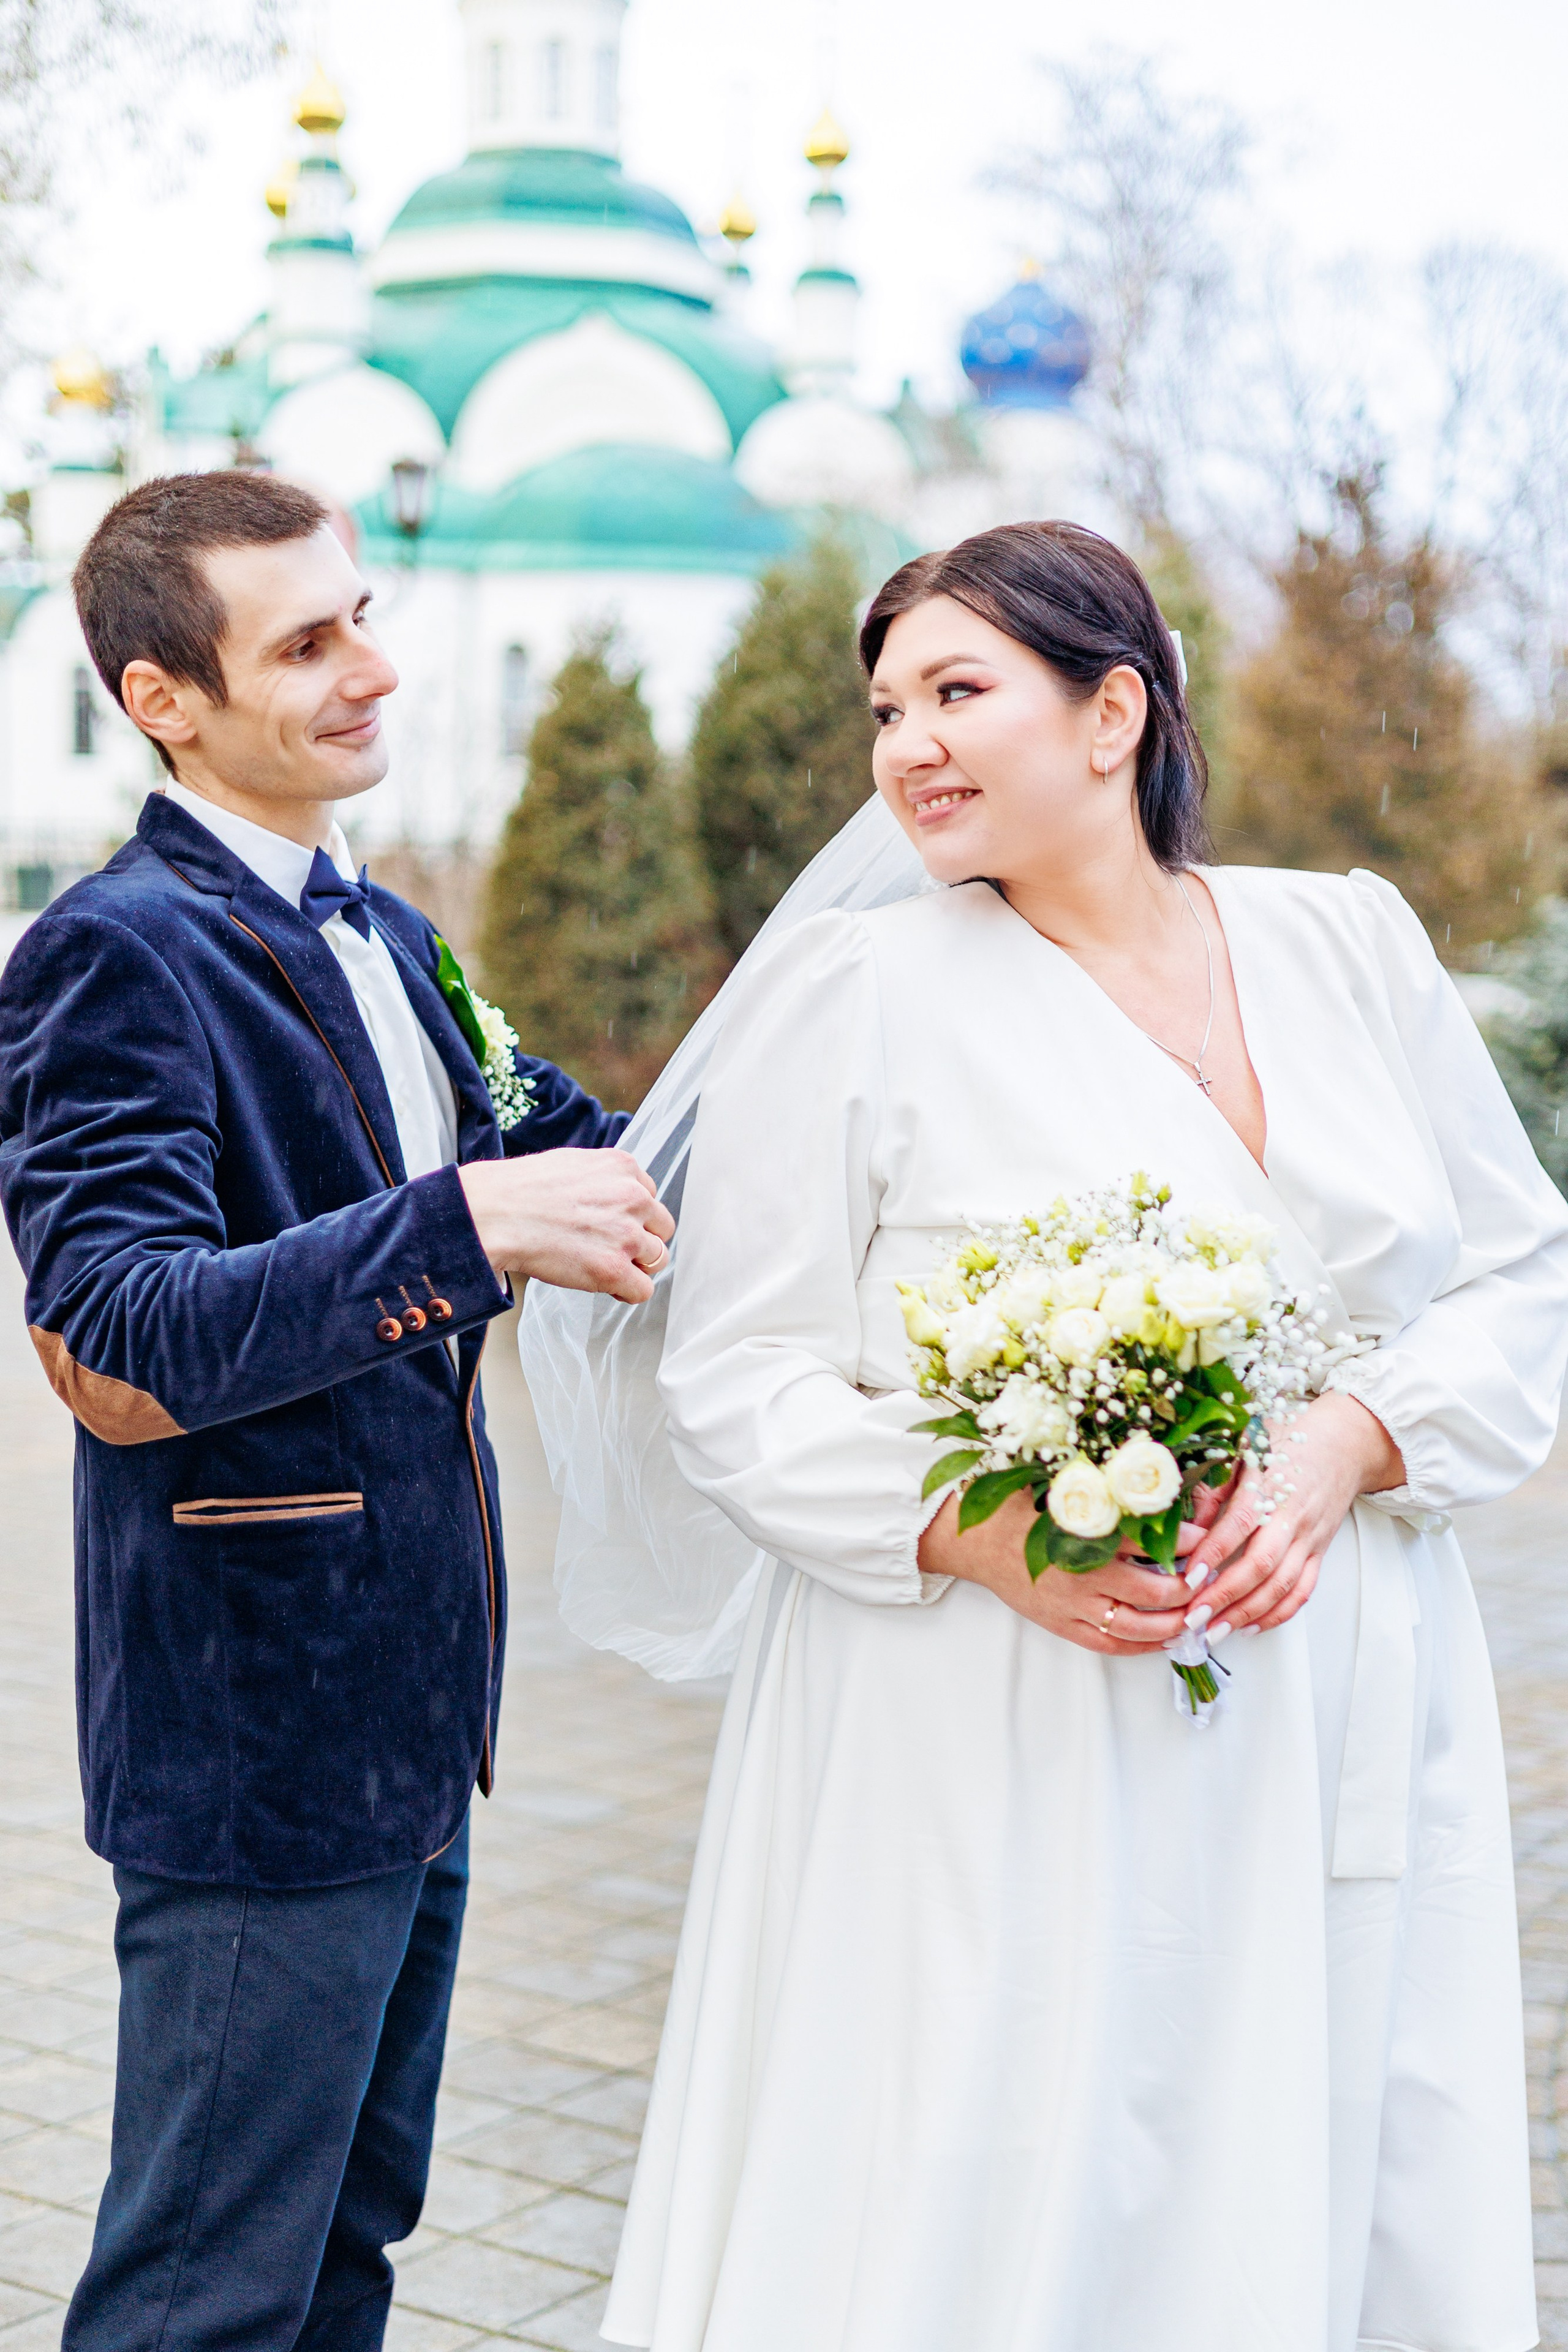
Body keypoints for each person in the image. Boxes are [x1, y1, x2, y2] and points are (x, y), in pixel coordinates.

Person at [546, 521, 1568, 2351]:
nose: (906, 746)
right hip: (990, 1700)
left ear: (1115, 713)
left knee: (1336, 2123)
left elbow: (1525, 1276)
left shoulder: (1350, 941)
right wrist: (977, 1532)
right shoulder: (848, 994)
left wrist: (1357, 1437)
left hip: (1345, 1669)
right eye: (886, 708)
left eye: (957, 691)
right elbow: (740, 1371)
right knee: (1005, 2159)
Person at [0, 470, 673, 2351]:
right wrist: (463, 1227)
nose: (375, 666)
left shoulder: (379, 925)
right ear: (164, 700)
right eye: (307, 642)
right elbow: (123, 1317)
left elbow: (589, 1152)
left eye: (363, 613)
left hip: (415, 1715)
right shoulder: (114, 951)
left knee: (347, 2252)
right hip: (252, 1740)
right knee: (206, 2290)